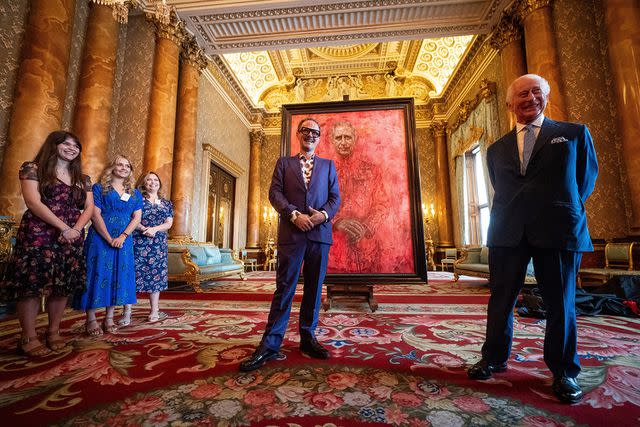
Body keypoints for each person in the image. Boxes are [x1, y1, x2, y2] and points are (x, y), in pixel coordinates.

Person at [466, 74, 598, 404]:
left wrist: (557, 206)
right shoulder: (496, 148)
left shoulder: (572, 134)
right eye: (522, 94)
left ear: (546, 97)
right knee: (500, 301)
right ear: (510, 105)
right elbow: (501, 185)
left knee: (561, 303)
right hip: (508, 230)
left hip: (557, 228)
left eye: (536, 92)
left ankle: (564, 370)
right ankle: (493, 357)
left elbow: (585, 180)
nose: (530, 98)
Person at [240, 118, 341, 371]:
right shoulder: (284, 163)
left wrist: (323, 216)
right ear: (298, 134)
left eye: (315, 132)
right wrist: (294, 215)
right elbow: (275, 193)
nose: (310, 135)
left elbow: (335, 198)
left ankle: (308, 338)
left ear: (319, 137)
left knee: (314, 289)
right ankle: (270, 344)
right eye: (306, 130)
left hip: (319, 235)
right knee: (284, 288)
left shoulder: (329, 166)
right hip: (292, 234)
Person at [2, 131, 93, 356]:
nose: (72, 148)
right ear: (53, 144)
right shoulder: (33, 168)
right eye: (66, 143)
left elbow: (88, 208)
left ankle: (53, 331)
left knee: (62, 285)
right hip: (39, 231)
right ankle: (28, 337)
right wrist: (63, 228)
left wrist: (75, 230)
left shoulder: (83, 178)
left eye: (76, 145)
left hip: (72, 234)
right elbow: (33, 202)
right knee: (32, 284)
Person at [73, 155, 143, 336]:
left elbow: (137, 217)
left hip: (123, 241)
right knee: (95, 274)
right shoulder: (99, 188)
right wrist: (108, 237)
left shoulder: (134, 193)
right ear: (111, 167)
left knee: (116, 276)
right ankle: (91, 319)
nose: (123, 168)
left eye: (127, 165)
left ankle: (109, 318)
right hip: (100, 238)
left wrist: (123, 236)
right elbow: (95, 214)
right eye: (119, 164)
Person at [119, 171, 173, 325]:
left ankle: (154, 310)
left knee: (156, 277)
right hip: (137, 241)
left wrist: (154, 229)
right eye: (149, 180)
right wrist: (143, 228)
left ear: (159, 183)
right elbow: (130, 217)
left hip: (158, 244)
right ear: (143, 182)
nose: (152, 182)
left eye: (155, 179)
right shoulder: (135, 198)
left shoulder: (166, 203)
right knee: (132, 275)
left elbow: (169, 223)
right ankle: (127, 311)